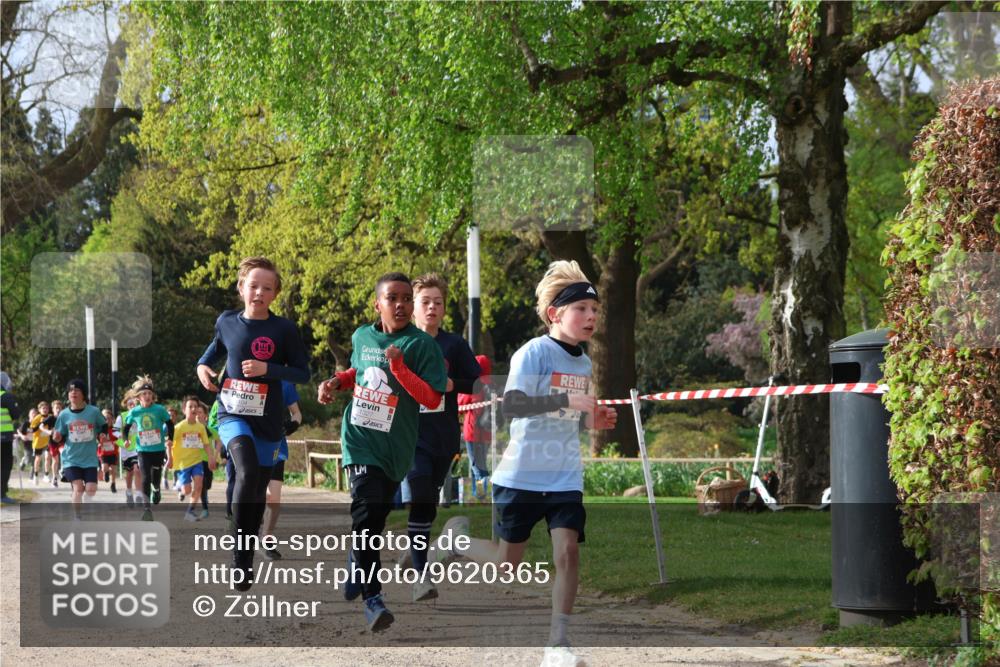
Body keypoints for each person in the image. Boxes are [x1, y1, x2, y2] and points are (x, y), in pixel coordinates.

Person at [434, 260, 617, 667]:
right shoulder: (533, 353)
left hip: (565, 473)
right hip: (522, 474)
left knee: (567, 552)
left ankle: (558, 644)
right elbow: (513, 405)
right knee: (505, 564)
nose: (591, 317)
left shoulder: (584, 362)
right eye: (582, 310)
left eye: (595, 310)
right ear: (555, 313)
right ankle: (454, 542)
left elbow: (570, 416)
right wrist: (566, 400)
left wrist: (594, 418)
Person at [317, 271, 447, 633]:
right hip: (359, 439)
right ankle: (373, 600)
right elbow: (357, 372)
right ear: (378, 304)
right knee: (367, 509)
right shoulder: (362, 335)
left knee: (374, 518)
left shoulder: (422, 346)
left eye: (407, 298)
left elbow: (432, 398)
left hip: (397, 448)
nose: (402, 304)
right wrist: (333, 383)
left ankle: (356, 559)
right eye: (393, 298)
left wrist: (400, 368)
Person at [196, 256, 309, 590]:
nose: (259, 292)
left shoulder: (284, 329)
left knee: (257, 491)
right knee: (244, 469)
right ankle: (240, 559)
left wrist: (269, 370)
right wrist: (203, 367)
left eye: (267, 288)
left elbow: (302, 372)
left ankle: (246, 547)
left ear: (275, 294)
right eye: (253, 285)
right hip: (232, 412)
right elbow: (211, 353)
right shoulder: (227, 321)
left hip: (268, 419)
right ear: (241, 287)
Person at [404, 274, 481, 601]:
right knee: (420, 496)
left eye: (438, 302)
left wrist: (453, 385)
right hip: (408, 435)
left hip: (443, 436)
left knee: (428, 504)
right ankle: (421, 577)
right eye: (426, 302)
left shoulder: (454, 345)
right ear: (412, 308)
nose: (432, 308)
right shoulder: (400, 343)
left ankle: (418, 551)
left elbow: (477, 382)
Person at [50, 378, 107, 516]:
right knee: (78, 488)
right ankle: (77, 517)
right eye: (70, 391)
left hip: (89, 459)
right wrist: (56, 438)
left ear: (83, 394)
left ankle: (82, 502)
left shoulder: (93, 411)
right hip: (71, 459)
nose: (73, 393)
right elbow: (58, 436)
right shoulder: (64, 415)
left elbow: (103, 425)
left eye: (77, 390)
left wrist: (102, 434)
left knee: (91, 489)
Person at [260, 380, 302, 560]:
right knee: (254, 495)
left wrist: (293, 425)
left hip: (277, 446)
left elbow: (297, 413)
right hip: (251, 444)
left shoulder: (286, 383)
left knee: (273, 498)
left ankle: (266, 539)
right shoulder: (248, 376)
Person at [122, 376, 173, 520]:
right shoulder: (134, 412)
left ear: (153, 396)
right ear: (138, 397)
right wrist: (126, 440)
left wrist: (170, 438)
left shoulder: (159, 409)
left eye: (150, 393)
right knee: (145, 476)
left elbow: (169, 424)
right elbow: (126, 428)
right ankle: (146, 509)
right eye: (144, 394)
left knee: (155, 478)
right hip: (142, 450)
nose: (147, 396)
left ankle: (156, 490)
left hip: (158, 450)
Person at [169, 395, 217, 522]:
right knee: (187, 490)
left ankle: (189, 512)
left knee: (199, 486)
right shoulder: (179, 427)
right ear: (184, 410)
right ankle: (181, 488)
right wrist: (170, 458)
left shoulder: (200, 427)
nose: (194, 409)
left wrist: (212, 457)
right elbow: (168, 442)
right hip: (183, 463)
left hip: (197, 461)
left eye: (196, 406)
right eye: (191, 406)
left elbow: (206, 444)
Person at [458, 354, 494, 499]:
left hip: (473, 431)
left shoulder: (474, 383)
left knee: (476, 466)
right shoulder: (492, 384)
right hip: (487, 431)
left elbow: (460, 404)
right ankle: (480, 493)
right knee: (482, 463)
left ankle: (480, 495)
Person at [196, 401, 222, 520]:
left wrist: (216, 455)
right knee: (200, 484)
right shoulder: (189, 430)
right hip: (195, 461)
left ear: (205, 416)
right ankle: (205, 509)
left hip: (208, 461)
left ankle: (204, 499)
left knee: (207, 484)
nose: (197, 415)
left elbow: (219, 442)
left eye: (200, 412)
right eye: (195, 412)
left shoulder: (211, 430)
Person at [116, 394, 143, 508]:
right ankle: (128, 491)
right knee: (130, 472)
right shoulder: (122, 417)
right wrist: (123, 439)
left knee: (137, 470)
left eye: (135, 404)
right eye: (130, 404)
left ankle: (138, 495)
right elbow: (115, 431)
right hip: (126, 449)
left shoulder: (141, 415)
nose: (132, 406)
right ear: (126, 405)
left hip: (138, 448)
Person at [1, 372, 21, 504]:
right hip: (3, 438)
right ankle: (1, 494)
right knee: (5, 465)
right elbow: (16, 414)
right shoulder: (6, 396)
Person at [30, 402, 51, 485]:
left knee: (47, 457)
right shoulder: (37, 418)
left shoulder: (50, 417)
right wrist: (41, 423)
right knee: (38, 459)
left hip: (47, 441)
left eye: (46, 408)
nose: (45, 410)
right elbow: (33, 430)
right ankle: (35, 475)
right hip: (38, 443)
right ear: (39, 410)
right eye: (43, 408)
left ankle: (46, 475)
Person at [43, 400, 63, 487]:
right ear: (53, 409)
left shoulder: (64, 418)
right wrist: (48, 432)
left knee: (64, 453)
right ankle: (54, 478)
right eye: (56, 408)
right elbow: (40, 426)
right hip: (53, 442)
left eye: (59, 408)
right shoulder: (50, 418)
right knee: (56, 460)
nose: (58, 409)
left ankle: (62, 470)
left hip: (62, 440)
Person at [99, 408, 119, 493]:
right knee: (104, 467)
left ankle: (113, 484)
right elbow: (97, 439)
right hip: (104, 453)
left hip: (113, 452)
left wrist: (115, 442)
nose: (107, 420)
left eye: (109, 418)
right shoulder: (100, 429)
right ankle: (105, 473)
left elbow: (120, 439)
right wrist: (99, 443)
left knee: (114, 469)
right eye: (105, 418)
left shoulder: (115, 429)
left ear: (112, 419)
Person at [17, 407, 36, 473]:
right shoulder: (26, 423)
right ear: (29, 415)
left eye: (35, 413)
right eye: (32, 413)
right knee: (28, 459)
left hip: (35, 442)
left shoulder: (37, 424)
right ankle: (24, 460)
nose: (34, 415)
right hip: (27, 442)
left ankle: (32, 476)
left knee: (35, 458)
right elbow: (18, 431)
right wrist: (22, 436)